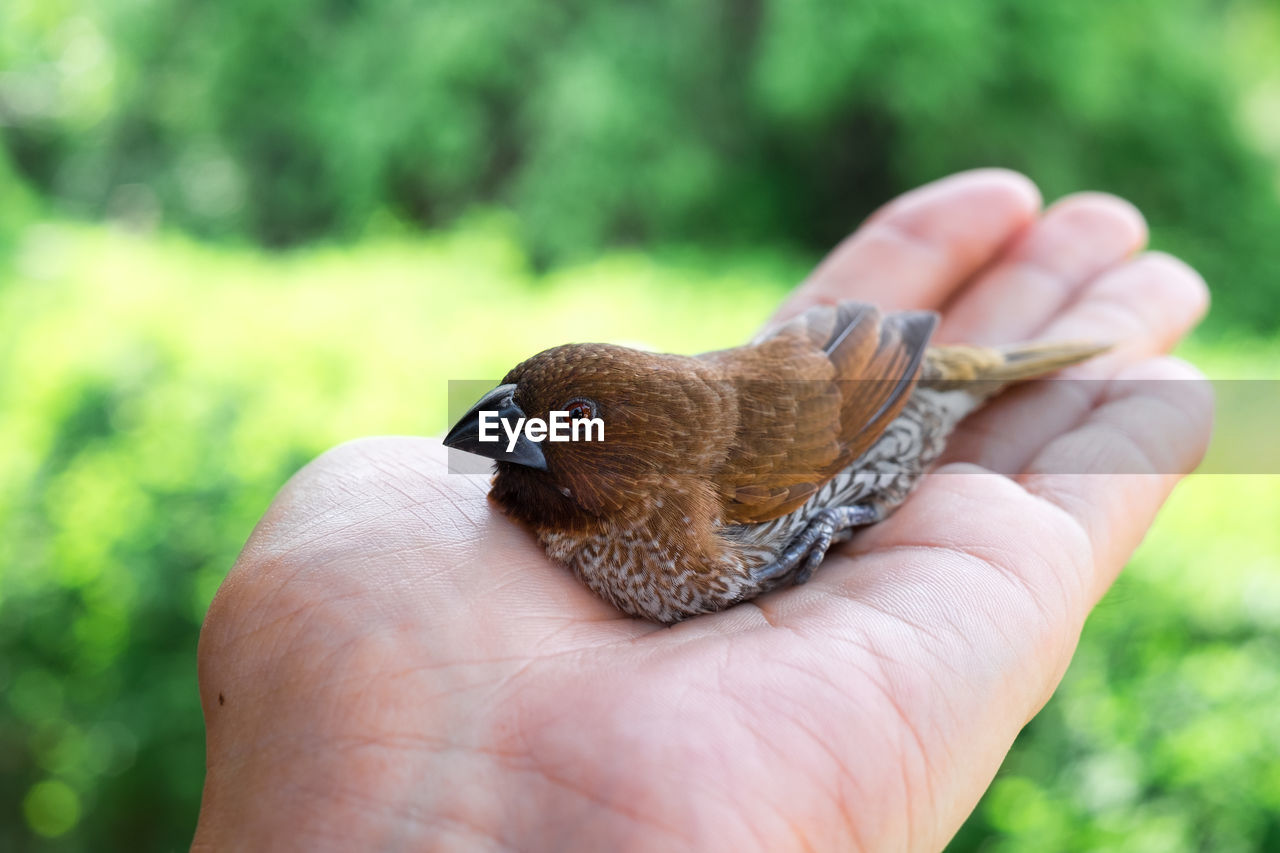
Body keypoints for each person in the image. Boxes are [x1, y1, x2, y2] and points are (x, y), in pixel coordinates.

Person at [191, 170, 1211, 851]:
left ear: (630, 453)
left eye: (556, 425)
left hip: (885, 395)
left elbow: (863, 382)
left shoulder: (703, 487)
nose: (500, 432)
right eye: (512, 412)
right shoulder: (583, 490)